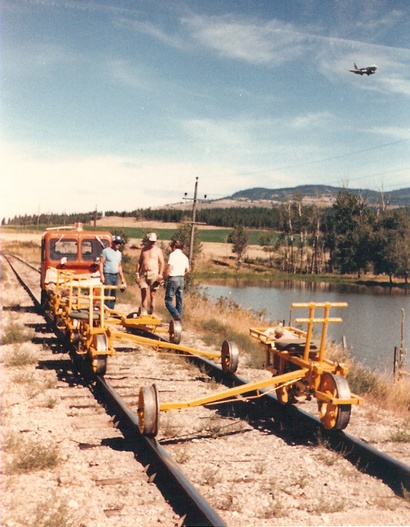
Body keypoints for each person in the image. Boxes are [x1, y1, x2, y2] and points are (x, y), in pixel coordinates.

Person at [136, 232, 164, 315]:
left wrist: (160, 274)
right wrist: (137, 273)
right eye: (151, 241)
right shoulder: (144, 250)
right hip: (144, 274)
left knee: (153, 293)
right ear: (148, 240)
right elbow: (140, 262)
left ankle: (151, 311)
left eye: (154, 241)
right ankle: (144, 311)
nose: (152, 243)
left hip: (154, 273)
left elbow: (162, 263)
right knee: (143, 292)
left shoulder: (158, 250)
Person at [163, 239, 190, 321]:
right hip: (181, 279)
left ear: (174, 246)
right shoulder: (185, 257)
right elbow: (188, 270)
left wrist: (164, 278)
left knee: (168, 301)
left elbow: (169, 268)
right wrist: (181, 275)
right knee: (179, 301)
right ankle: (179, 323)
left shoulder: (173, 255)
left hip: (173, 278)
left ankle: (176, 314)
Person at [99, 235, 126, 309]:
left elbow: (119, 266)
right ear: (112, 243)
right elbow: (101, 263)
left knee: (113, 295)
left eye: (119, 243)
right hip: (108, 275)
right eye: (117, 243)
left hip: (115, 276)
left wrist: (122, 278)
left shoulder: (119, 253)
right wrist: (101, 275)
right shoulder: (106, 251)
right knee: (107, 294)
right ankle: (106, 310)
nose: (118, 245)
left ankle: (111, 310)